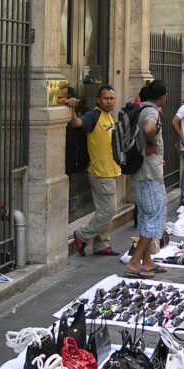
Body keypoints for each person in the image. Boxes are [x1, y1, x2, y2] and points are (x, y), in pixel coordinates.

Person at [67, 85, 122, 256]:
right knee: (109, 210)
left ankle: (101, 244)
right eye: (106, 98)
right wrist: (72, 108)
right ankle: (82, 235)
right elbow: (77, 123)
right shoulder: (94, 115)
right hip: (100, 172)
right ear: (98, 100)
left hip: (111, 170)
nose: (110, 102)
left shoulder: (108, 116)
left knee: (104, 210)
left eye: (112, 98)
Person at [125, 80, 168, 279]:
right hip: (148, 173)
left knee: (144, 216)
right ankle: (134, 262)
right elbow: (149, 129)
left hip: (142, 171)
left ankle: (147, 260)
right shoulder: (151, 111)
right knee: (153, 216)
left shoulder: (140, 108)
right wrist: (152, 147)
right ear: (162, 97)